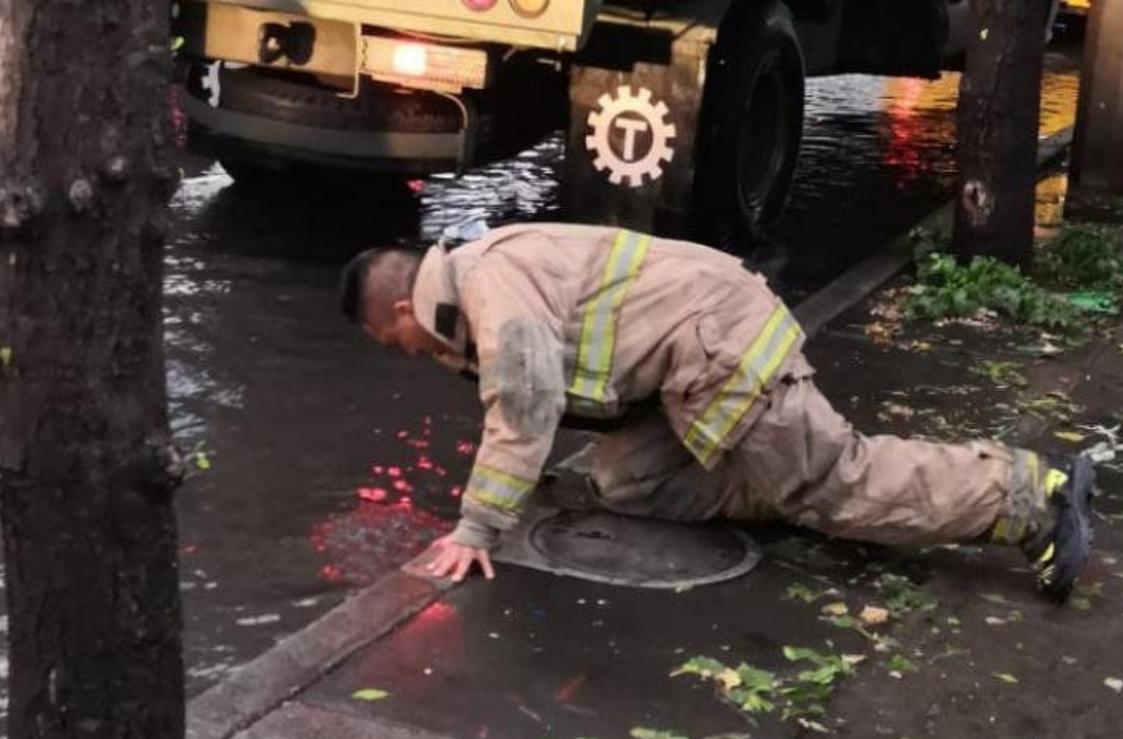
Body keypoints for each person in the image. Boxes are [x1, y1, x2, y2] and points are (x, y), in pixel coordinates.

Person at [338, 223, 1095, 601]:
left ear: (405, 305)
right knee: (625, 480)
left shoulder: (489, 288)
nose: (406, 352)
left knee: (833, 482)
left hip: (719, 347)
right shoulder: (480, 271)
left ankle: (1030, 497)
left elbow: (525, 401)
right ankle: (775, 471)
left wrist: (479, 526)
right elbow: (538, 394)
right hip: (692, 357)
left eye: (393, 339)